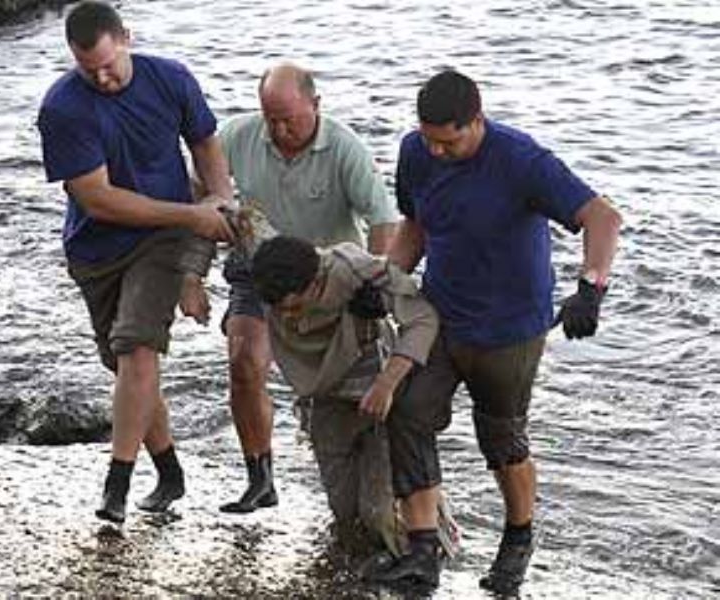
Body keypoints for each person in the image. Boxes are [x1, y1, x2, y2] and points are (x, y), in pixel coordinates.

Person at [366, 69, 622, 592]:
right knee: (408, 416)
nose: (437, 151)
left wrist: (590, 289)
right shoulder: (416, 151)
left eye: (449, 141)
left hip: (509, 329)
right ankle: (422, 550)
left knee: (501, 439)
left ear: (476, 121)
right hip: (441, 314)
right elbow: (415, 227)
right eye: (430, 140)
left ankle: (518, 539)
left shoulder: (521, 160)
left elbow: (602, 217)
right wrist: (388, 280)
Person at [37, 1, 234, 524]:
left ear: (126, 37)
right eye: (88, 69)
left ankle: (116, 487)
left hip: (163, 241)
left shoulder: (171, 78)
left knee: (137, 352)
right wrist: (194, 214)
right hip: (96, 249)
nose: (101, 78)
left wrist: (221, 203)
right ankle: (169, 470)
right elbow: (98, 198)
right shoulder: (62, 108)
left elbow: (206, 144)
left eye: (109, 64)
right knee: (128, 369)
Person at [180, 63, 399, 513]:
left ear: (315, 106)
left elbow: (383, 221)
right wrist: (191, 276)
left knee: (340, 391)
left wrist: (380, 285)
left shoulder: (345, 149)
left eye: (290, 119)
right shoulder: (238, 136)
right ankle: (260, 477)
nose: (279, 130)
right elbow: (205, 202)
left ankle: (375, 492)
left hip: (328, 278)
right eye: (270, 119)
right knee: (243, 362)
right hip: (258, 268)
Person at [249, 235, 438, 559]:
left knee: (377, 514)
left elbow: (423, 318)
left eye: (295, 306)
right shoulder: (269, 278)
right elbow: (239, 223)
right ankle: (358, 563)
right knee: (344, 511)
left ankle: (425, 544)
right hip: (323, 395)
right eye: (279, 310)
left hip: (374, 386)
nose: (289, 317)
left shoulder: (356, 271)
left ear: (317, 283)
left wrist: (386, 384)